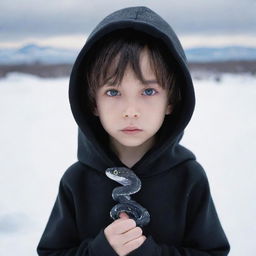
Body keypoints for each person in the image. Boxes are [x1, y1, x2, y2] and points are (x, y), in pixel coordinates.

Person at [37, 6, 230, 256]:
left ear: (171, 101)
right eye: (113, 92)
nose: (130, 110)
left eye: (148, 91)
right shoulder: (77, 181)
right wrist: (101, 250)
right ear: (93, 103)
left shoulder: (188, 178)